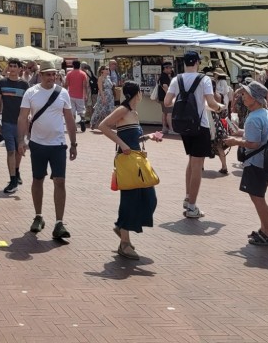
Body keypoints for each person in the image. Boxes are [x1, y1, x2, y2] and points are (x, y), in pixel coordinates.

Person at [98, 81, 164, 259]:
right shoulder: (123, 110)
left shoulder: (134, 112)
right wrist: (123, 145)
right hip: (127, 160)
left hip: (136, 159)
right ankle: (124, 243)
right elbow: (102, 126)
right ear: (137, 94)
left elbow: (134, 136)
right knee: (129, 198)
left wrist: (149, 137)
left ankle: (122, 227)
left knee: (150, 199)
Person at [17, 67, 78, 241]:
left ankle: (59, 222)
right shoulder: (31, 92)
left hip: (58, 144)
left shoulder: (63, 93)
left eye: (54, 75)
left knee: (60, 181)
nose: (52, 78)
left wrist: (73, 144)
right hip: (37, 144)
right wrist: (21, 141)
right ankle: (38, 216)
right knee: (38, 179)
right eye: (48, 74)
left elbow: (69, 119)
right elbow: (22, 117)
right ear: (40, 75)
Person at [164, 50, 222, 219]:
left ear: (184, 63)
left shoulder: (177, 79)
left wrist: (182, 101)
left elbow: (167, 102)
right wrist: (220, 108)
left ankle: (188, 196)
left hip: (183, 126)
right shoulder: (204, 79)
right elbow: (211, 103)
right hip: (199, 125)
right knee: (197, 165)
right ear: (197, 62)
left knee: (191, 161)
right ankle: (192, 206)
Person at [224, 81, 268, 247]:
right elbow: (258, 136)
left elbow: (253, 143)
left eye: (246, 94)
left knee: (258, 198)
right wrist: (239, 132)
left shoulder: (253, 118)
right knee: (259, 197)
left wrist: (235, 141)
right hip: (264, 162)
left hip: (255, 163)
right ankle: (264, 229)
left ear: (255, 98)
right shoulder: (264, 113)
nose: (243, 97)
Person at [0, 58, 29, 194]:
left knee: (19, 151)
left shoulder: (25, 85)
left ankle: (16, 170)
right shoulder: (2, 83)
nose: (13, 68)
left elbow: (28, 106)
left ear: (20, 69)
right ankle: (13, 179)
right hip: (7, 122)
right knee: (10, 151)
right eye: (11, 66)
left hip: (20, 123)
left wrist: (27, 123)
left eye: (15, 66)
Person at [64, 61, 88, 133]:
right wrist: (85, 94)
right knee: (81, 111)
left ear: (73, 65)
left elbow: (66, 84)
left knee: (72, 112)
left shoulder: (69, 74)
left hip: (71, 95)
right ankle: (82, 120)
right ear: (79, 65)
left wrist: (65, 91)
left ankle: (74, 126)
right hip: (80, 95)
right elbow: (85, 85)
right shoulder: (83, 74)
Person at [89, 65, 114, 130]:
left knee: (109, 110)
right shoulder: (100, 78)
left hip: (110, 96)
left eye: (108, 69)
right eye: (106, 69)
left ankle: (107, 125)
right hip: (103, 95)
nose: (108, 70)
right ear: (102, 71)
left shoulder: (108, 78)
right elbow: (100, 89)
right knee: (100, 111)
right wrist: (103, 98)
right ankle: (93, 123)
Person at [157, 61, 175, 134]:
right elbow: (165, 86)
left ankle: (164, 128)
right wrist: (169, 96)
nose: (171, 69)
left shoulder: (162, 76)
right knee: (169, 113)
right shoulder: (164, 76)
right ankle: (171, 129)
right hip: (165, 97)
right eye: (170, 68)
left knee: (164, 112)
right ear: (165, 68)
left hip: (162, 97)